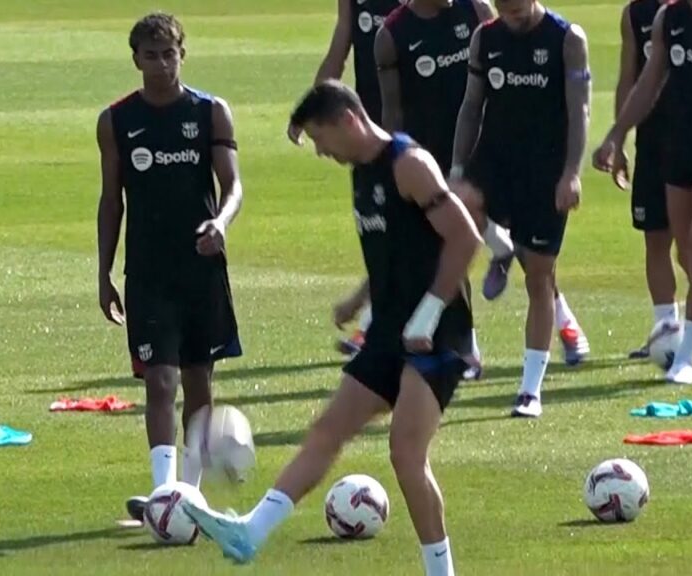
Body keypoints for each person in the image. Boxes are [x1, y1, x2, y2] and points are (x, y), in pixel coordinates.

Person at [182, 80, 481, 576]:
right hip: (389, 331)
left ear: (348, 120)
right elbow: (404, 246)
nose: (322, 152)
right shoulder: (362, 172)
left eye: (321, 139)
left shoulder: (409, 164)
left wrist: (429, 314)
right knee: (327, 431)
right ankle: (250, 533)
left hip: (437, 334)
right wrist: (360, 297)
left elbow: (464, 238)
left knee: (406, 454)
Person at [96, 12, 244, 521]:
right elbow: (111, 200)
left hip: (200, 268)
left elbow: (232, 185)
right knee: (160, 380)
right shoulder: (116, 121)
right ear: (135, 59)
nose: (161, 64)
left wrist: (221, 222)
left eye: (169, 54)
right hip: (147, 271)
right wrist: (104, 273)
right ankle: (164, 494)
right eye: (151, 56)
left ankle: (190, 497)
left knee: (199, 380)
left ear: (183, 54)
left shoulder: (210, 113)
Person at [450, 0, 592, 417]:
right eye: (504, 8)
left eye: (516, 8)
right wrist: (457, 170)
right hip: (495, 161)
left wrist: (571, 174)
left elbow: (580, 110)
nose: (510, 15)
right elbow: (471, 106)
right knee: (459, 210)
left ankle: (530, 390)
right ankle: (501, 248)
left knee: (539, 276)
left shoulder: (567, 39)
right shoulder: (486, 38)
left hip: (545, 169)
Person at [373, 0, 495, 378]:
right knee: (449, 246)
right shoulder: (392, 35)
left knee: (531, 252)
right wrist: (390, 164)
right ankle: (466, 346)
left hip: (484, 151)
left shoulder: (476, 11)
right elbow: (392, 112)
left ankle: (563, 320)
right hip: (431, 161)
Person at [594, 0, 692, 384]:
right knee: (686, 252)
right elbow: (647, 83)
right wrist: (617, 133)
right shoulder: (668, 18)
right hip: (677, 148)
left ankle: (686, 358)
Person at [289, 0, 404, 356]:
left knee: (416, 232)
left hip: (416, 130)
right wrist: (310, 114)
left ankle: (374, 325)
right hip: (363, 131)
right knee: (386, 232)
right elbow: (340, 48)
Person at [613, 0, 685, 359]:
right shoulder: (635, 14)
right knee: (655, 239)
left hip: (691, 141)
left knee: (691, 248)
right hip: (651, 144)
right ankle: (666, 333)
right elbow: (629, 77)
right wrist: (618, 141)